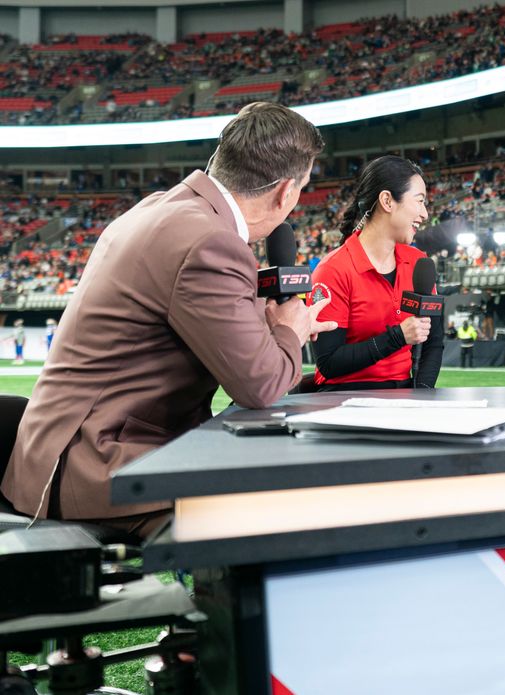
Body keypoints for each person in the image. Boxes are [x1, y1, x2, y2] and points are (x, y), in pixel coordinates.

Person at [1, 102, 336, 537]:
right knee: (289, 505)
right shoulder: (210, 241)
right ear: (285, 193)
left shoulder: (163, 209)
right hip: (97, 464)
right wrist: (292, 329)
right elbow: (262, 386)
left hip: (59, 452)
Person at [307, 156, 442, 390]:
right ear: (387, 201)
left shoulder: (419, 263)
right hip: (343, 400)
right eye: (419, 201)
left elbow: (434, 343)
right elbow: (328, 362)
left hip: (403, 396)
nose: (425, 214)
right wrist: (398, 337)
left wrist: (423, 394)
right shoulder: (333, 270)